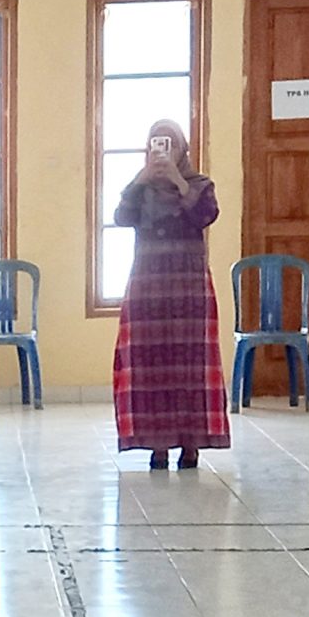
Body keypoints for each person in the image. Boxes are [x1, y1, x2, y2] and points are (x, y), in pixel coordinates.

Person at [111, 120, 228, 470]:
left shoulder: (199, 184)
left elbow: (205, 215)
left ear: (182, 149)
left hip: (188, 287)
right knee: (149, 365)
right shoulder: (141, 188)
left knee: (190, 365)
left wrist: (178, 181)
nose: (162, 151)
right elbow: (121, 217)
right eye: (155, 144)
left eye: (169, 145)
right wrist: (141, 179)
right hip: (148, 286)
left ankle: (190, 445)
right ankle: (156, 445)